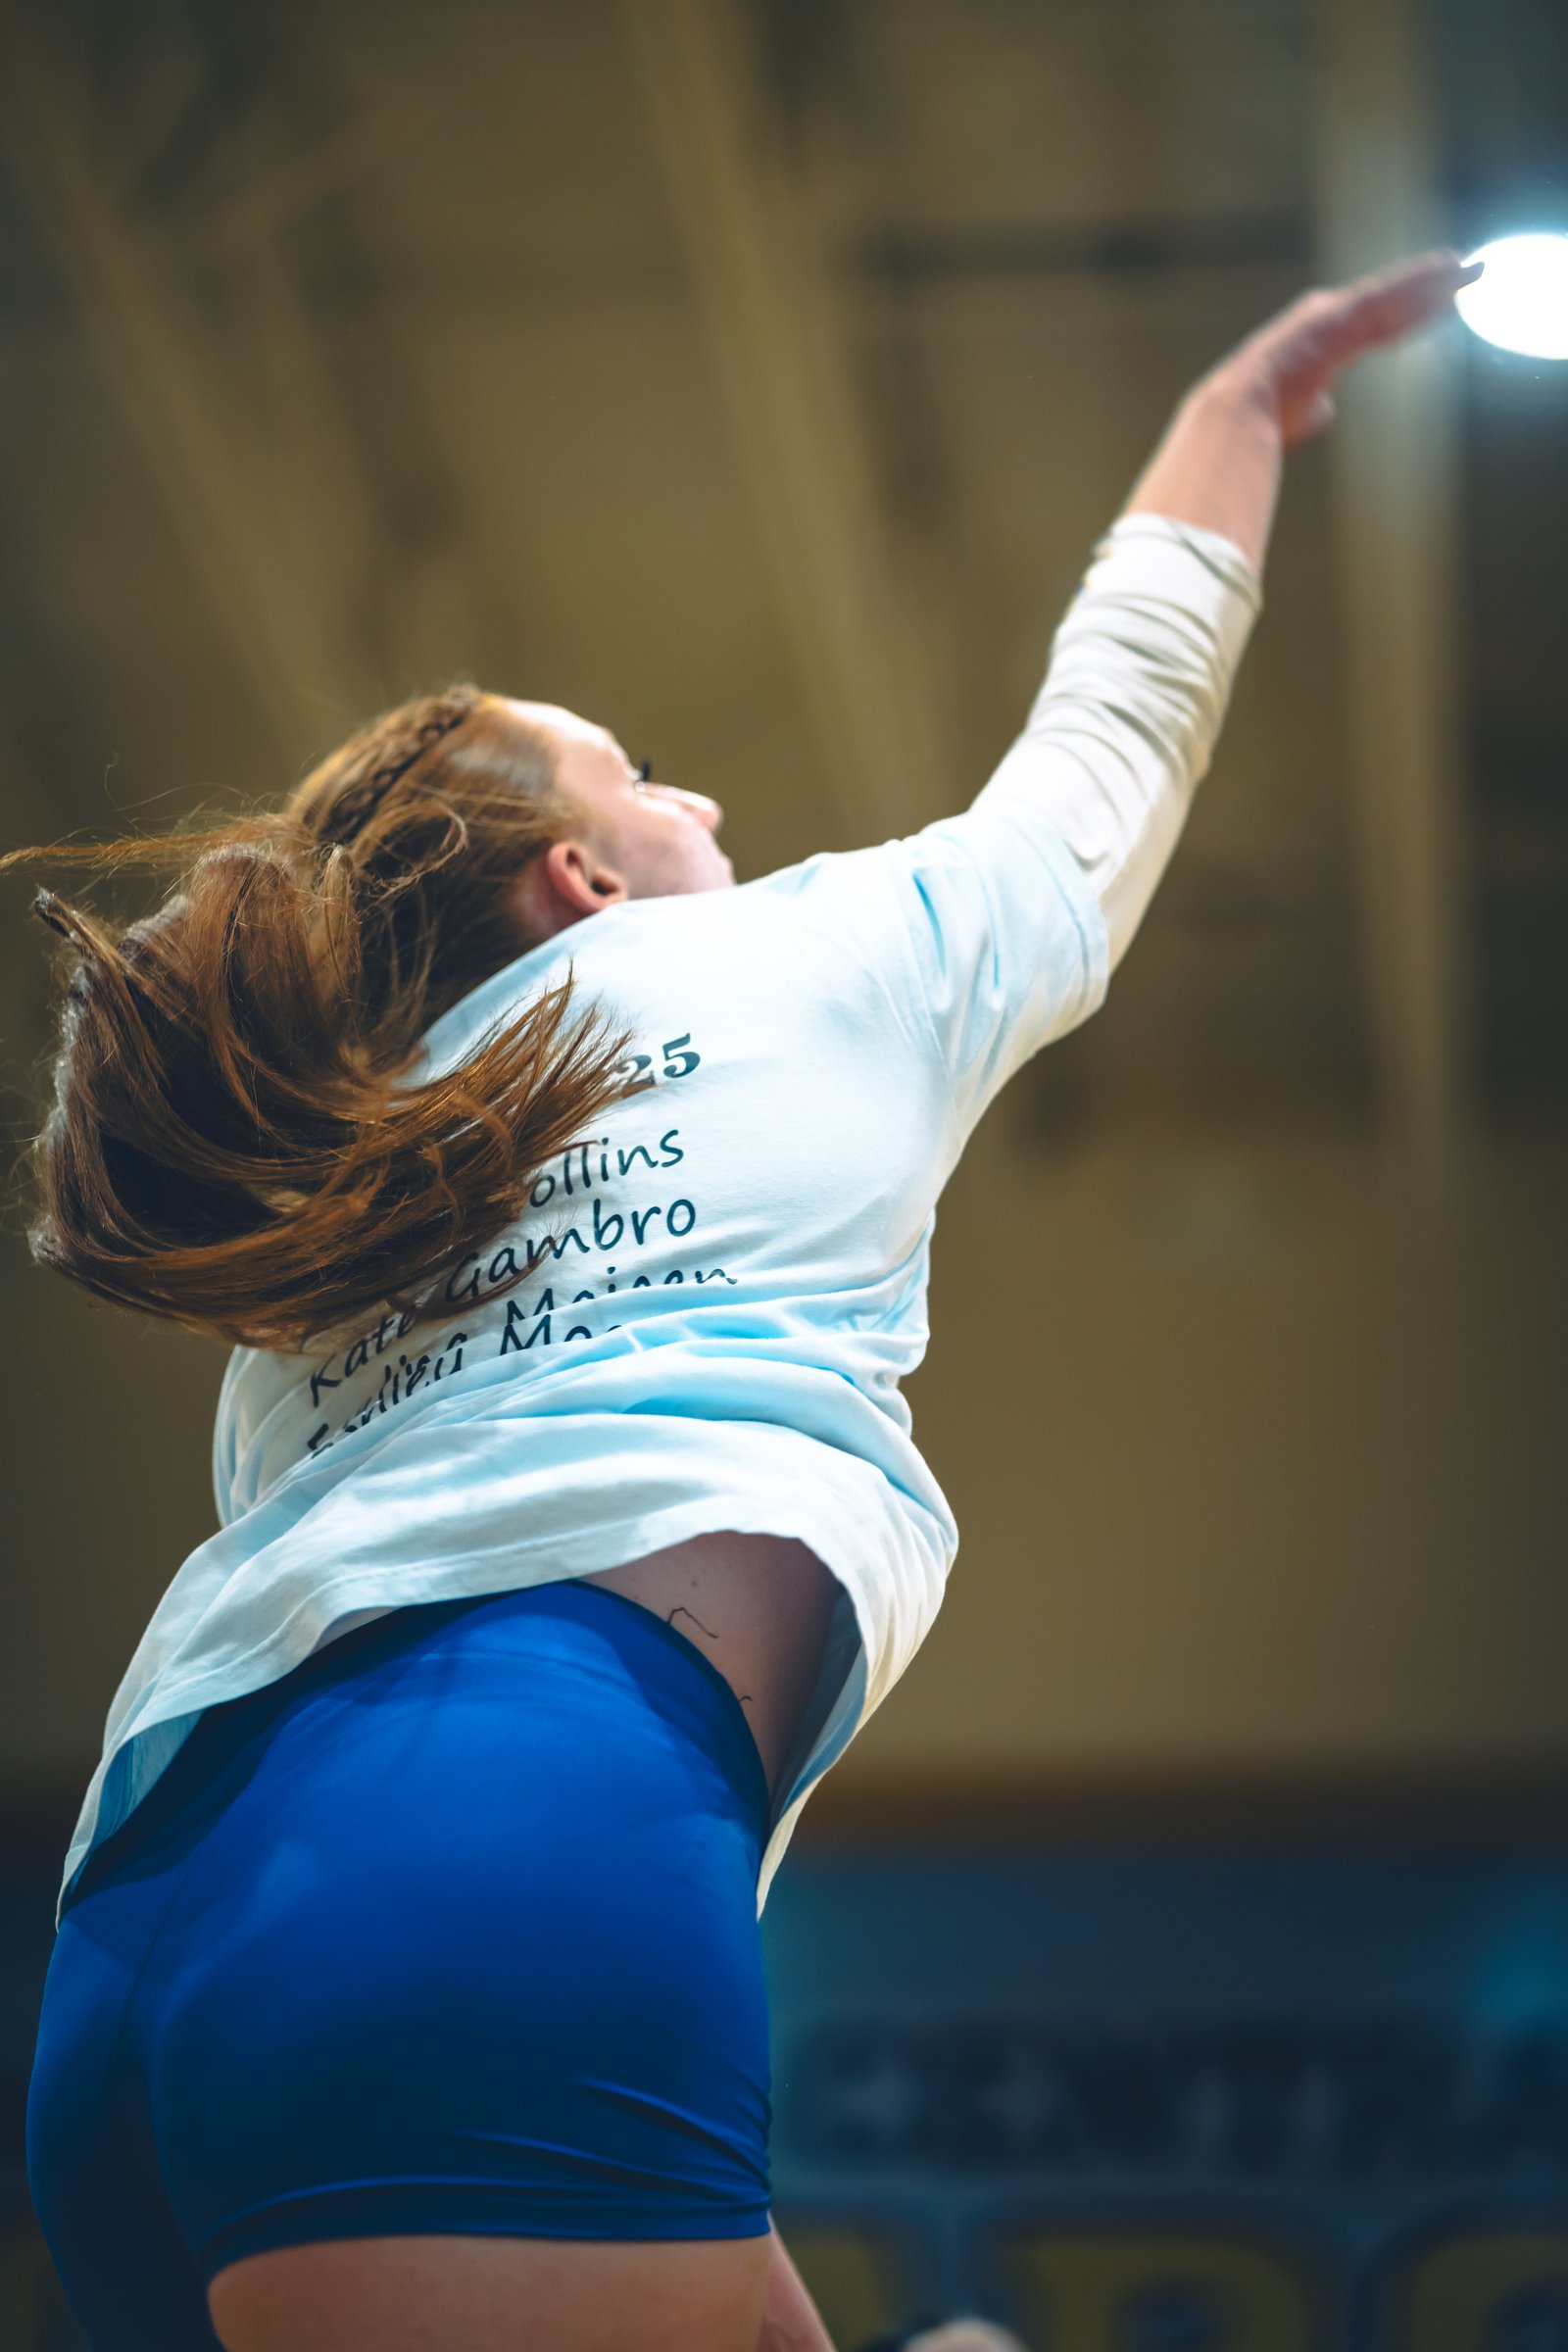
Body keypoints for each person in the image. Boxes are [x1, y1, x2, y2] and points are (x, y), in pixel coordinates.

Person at [13, 249, 1476, 2352]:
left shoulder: (331, 1205)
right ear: (581, 877)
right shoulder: (818, 956)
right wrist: (1236, 410)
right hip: (501, 1846)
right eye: (642, 772)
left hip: (133, 1947)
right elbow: (1117, 727)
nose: (702, 799)